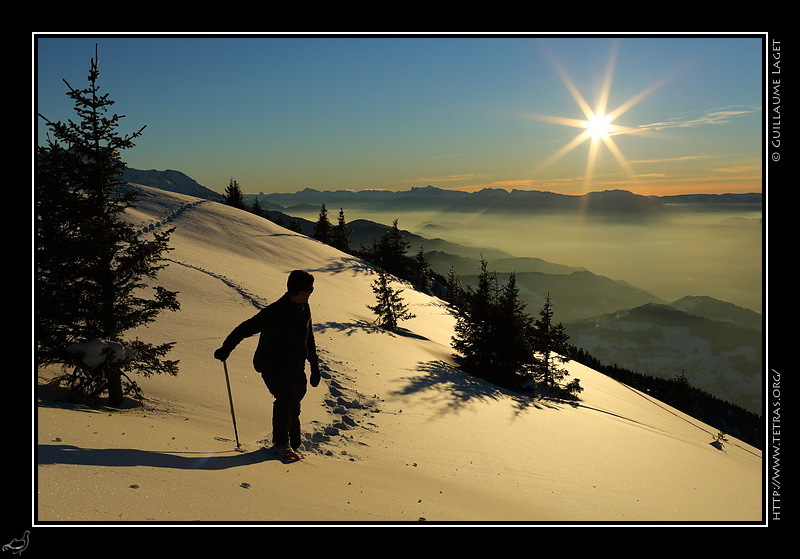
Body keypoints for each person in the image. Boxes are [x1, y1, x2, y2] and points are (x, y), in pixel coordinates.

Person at [214, 270, 321, 459]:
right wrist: (226, 348)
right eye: (310, 289)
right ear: (301, 291)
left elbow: (308, 338)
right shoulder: (276, 311)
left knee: (294, 404)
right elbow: (246, 327)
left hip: (295, 366)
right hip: (272, 366)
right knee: (285, 400)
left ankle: (294, 444)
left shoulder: (304, 307)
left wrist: (314, 367)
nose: (311, 292)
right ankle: (281, 444)